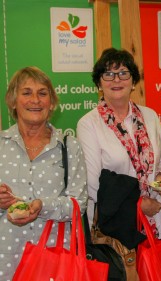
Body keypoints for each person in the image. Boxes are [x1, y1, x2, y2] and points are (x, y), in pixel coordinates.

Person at [76, 48, 161, 258]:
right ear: (99, 83)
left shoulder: (150, 116)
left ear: (133, 81)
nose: (116, 80)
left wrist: (160, 178)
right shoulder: (89, 124)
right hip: (115, 228)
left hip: (155, 221)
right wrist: (138, 204)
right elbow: (93, 186)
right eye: (108, 74)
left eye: (123, 73)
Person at [0, 66, 88, 280]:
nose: (35, 100)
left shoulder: (69, 146)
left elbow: (79, 205)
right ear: (13, 101)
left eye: (42, 93)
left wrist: (42, 206)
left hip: (55, 261)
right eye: (26, 92)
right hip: (7, 260)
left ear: (52, 103)